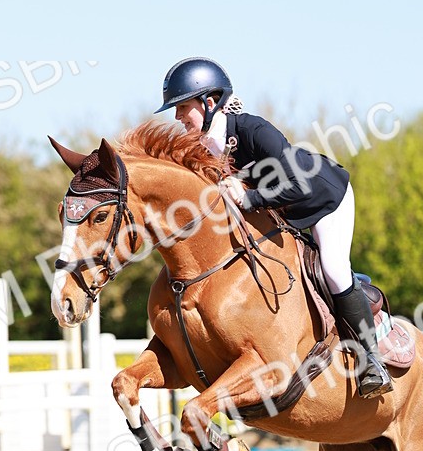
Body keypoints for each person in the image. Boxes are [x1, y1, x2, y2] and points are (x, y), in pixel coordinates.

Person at [156, 56, 392, 399]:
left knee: (334, 270)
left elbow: (297, 184)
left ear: (209, 103)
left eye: (183, 107)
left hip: (323, 199)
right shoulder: (201, 145)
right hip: (282, 212)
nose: (178, 117)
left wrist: (249, 199)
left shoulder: (254, 131)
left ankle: (372, 361)